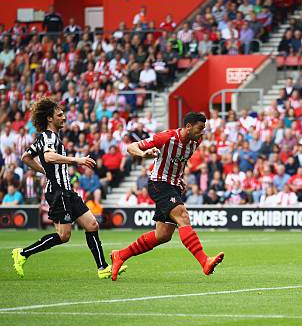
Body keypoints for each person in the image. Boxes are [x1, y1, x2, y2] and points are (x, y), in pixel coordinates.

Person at [11, 98, 126, 279]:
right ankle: (23, 253)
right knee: (64, 236)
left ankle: (102, 267)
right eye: (60, 115)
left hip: (67, 191)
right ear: (49, 118)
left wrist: (44, 171)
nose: (64, 117)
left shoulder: (46, 138)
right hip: (58, 191)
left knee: (92, 224)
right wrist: (76, 160)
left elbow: (26, 157)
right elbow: (48, 157)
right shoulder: (48, 137)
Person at [110, 112, 224, 281]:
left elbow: (179, 161)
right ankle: (204, 261)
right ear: (188, 127)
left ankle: (120, 255)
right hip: (159, 183)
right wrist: (143, 154)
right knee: (183, 216)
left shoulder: (196, 141)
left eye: (204, 129)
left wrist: (180, 179)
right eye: (200, 128)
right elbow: (131, 147)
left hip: (173, 185)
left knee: (162, 235)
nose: (202, 133)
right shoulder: (166, 137)